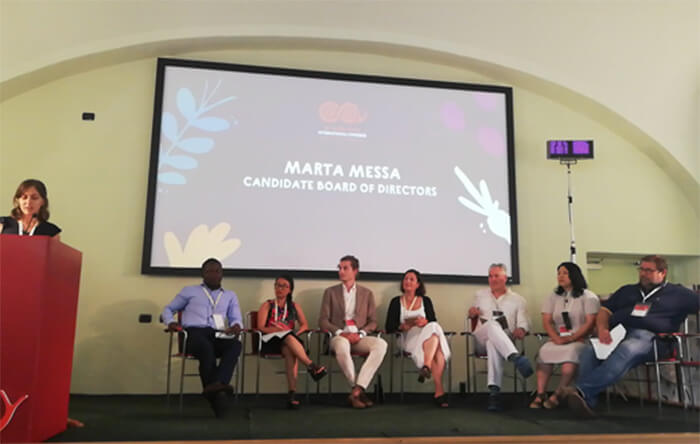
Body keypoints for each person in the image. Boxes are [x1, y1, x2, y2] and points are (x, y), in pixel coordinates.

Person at [564, 255, 700, 416]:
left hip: (654, 339)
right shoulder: (627, 290)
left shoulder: (678, 293)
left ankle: (581, 391)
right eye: (641, 269)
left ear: (662, 273)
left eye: (648, 270)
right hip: (619, 333)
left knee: (628, 348)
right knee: (588, 351)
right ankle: (586, 402)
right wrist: (602, 329)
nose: (643, 273)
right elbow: (604, 311)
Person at [161, 258, 243, 418]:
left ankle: (217, 386)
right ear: (203, 274)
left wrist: (236, 325)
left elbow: (236, 318)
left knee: (235, 345)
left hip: (218, 333)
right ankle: (219, 391)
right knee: (205, 348)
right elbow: (168, 309)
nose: (213, 274)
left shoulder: (230, 295)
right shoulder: (189, 291)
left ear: (222, 274)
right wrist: (170, 322)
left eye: (217, 271)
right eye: (209, 271)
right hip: (194, 333)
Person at [319, 255, 388, 409]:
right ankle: (357, 390)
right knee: (342, 344)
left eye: (345, 268)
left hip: (358, 337)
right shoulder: (330, 292)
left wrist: (361, 334)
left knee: (381, 344)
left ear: (355, 271)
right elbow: (323, 320)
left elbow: (373, 321)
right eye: (339, 268)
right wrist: (340, 333)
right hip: (338, 337)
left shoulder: (366, 293)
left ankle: (357, 390)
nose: (341, 271)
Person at [530, 262, 599, 409]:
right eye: (559, 273)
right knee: (544, 351)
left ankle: (558, 394)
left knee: (571, 354)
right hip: (559, 338)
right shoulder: (553, 296)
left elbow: (590, 322)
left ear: (574, 275)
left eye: (565, 273)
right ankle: (540, 394)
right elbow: (547, 321)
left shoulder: (588, 296)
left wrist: (572, 338)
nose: (560, 276)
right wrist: (555, 337)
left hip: (580, 339)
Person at [468, 263, 533, 411]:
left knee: (493, 343)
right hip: (481, 338)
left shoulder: (518, 300)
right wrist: (472, 313)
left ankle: (494, 393)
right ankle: (515, 357)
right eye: (490, 276)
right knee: (492, 324)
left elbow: (523, 323)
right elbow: (472, 314)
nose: (493, 279)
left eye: (496, 276)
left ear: (505, 278)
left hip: (503, 341)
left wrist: (521, 329)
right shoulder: (480, 295)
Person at [256, 274, 327, 409]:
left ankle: (292, 394)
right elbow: (260, 327)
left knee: (290, 348)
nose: (280, 289)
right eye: (278, 285)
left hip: (288, 340)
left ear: (290, 290)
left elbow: (305, 325)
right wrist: (276, 330)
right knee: (289, 340)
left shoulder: (294, 306)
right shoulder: (267, 305)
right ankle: (311, 366)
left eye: (284, 286)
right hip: (270, 340)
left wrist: (293, 333)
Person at [385, 269, 451, 407]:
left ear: (418, 284)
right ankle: (437, 388)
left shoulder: (425, 301)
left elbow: (433, 321)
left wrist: (424, 322)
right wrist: (402, 326)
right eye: (405, 279)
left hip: (426, 336)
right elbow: (389, 327)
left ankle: (428, 370)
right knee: (436, 342)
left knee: (433, 329)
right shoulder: (396, 301)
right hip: (406, 338)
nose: (407, 281)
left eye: (411, 279)